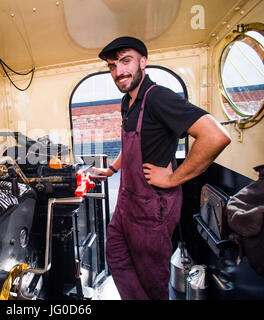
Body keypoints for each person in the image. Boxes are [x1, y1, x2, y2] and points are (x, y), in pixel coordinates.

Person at [94, 36, 231, 300]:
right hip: (126, 203)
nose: (118, 72)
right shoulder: (128, 102)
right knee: (116, 258)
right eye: (112, 66)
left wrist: (172, 178)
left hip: (151, 208)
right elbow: (133, 143)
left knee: (152, 281)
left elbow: (215, 136)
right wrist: (111, 170)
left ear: (143, 62)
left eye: (125, 61)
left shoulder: (157, 97)